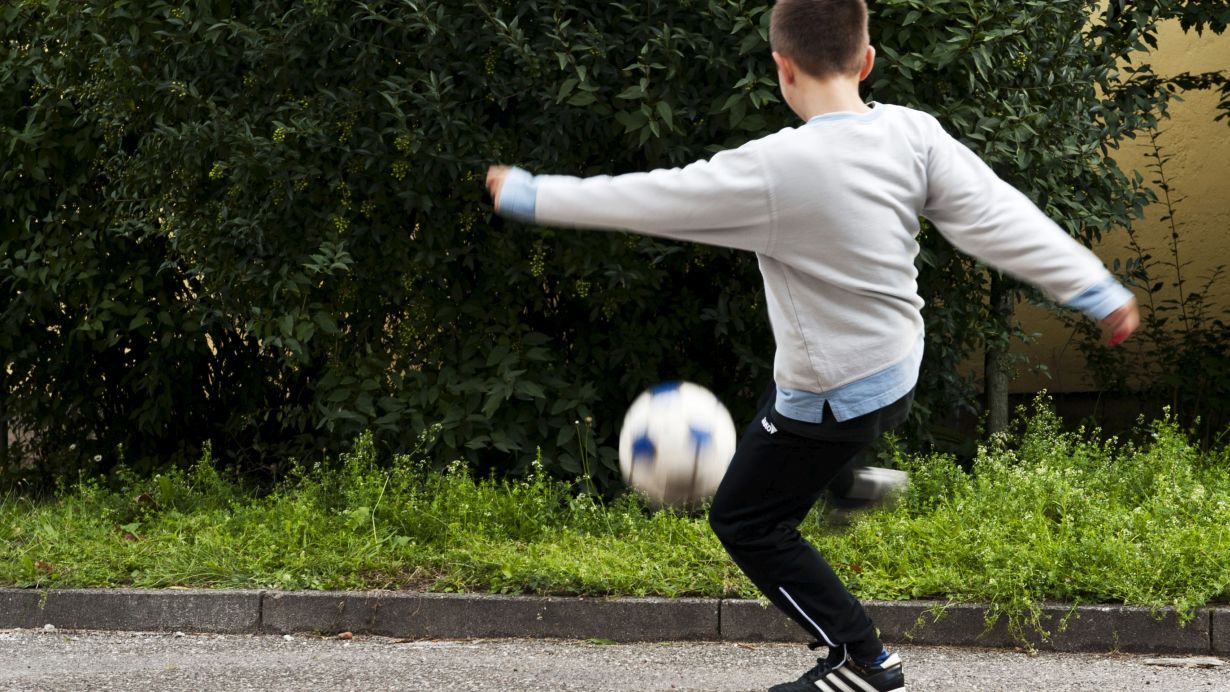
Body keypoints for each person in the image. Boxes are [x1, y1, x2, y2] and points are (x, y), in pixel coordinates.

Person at [485, 0, 1140, 688]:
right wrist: (1094, 288)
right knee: (786, 413)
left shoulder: (774, 168)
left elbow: (649, 199)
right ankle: (850, 481)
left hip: (835, 396)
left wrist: (531, 194)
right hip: (896, 372)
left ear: (782, 67)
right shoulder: (911, 134)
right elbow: (999, 216)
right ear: (867, 60)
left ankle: (863, 658)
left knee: (745, 521)